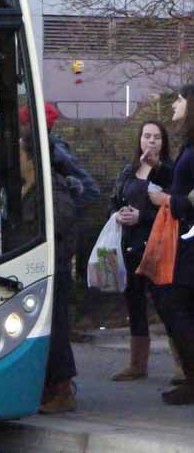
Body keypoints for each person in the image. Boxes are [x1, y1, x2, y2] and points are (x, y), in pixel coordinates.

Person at [17, 135, 79, 414]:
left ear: (32, 158)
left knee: (55, 329)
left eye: (20, 152)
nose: (16, 158)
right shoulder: (27, 187)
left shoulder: (52, 187)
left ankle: (64, 391)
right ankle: (48, 387)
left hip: (54, 268)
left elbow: (63, 222)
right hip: (33, 267)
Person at [109, 121, 174, 381]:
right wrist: (118, 214)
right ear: (140, 140)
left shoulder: (169, 172)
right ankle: (137, 364)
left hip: (159, 247)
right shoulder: (129, 171)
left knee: (167, 304)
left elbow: (175, 208)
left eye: (157, 137)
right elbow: (115, 201)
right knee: (134, 303)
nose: (151, 141)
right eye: (147, 136)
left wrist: (143, 216)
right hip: (130, 247)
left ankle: (183, 364)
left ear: (163, 142)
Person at [148, 85, 194, 405]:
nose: (175, 104)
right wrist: (161, 168)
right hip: (186, 239)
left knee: (175, 304)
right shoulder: (188, 145)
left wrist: (169, 201)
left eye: (180, 99)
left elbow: (186, 197)